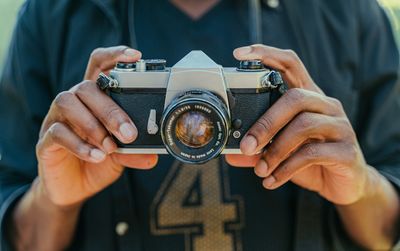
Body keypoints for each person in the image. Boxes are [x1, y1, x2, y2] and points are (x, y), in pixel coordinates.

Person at [1, 0, 400, 250]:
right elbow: (24, 239)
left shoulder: (350, 14)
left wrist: (360, 188)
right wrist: (55, 199)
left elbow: (385, 234)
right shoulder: (53, 17)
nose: (196, 129)